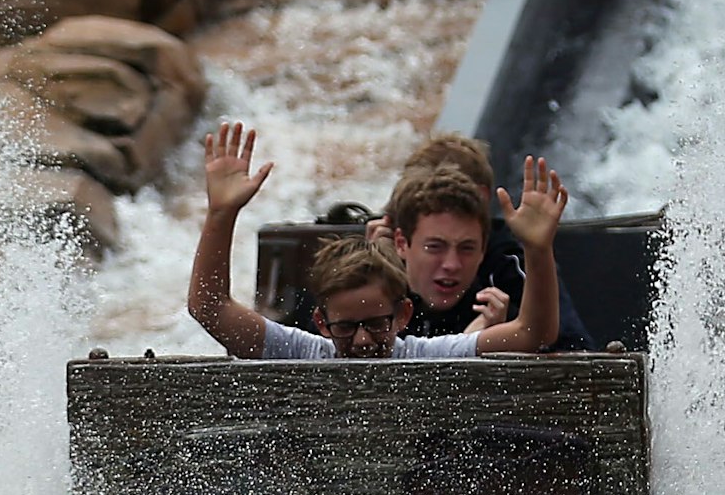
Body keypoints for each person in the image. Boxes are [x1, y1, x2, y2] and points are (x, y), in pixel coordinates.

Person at [188, 121, 566, 359]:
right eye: (346, 327)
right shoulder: (305, 352)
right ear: (321, 322)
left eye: (376, 324)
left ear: (403, 316)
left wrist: (537, 249)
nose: (364, 342)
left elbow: (535, 332)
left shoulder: (423, 355)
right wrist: (222, 214)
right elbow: (208, 308)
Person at [372, 134, 595, 350]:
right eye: (434, 247)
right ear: (401, 243)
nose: (452, 264)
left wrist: (538, 250)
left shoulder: (494, 294)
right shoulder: (373, 293)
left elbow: (540, 334)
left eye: (467, 248)